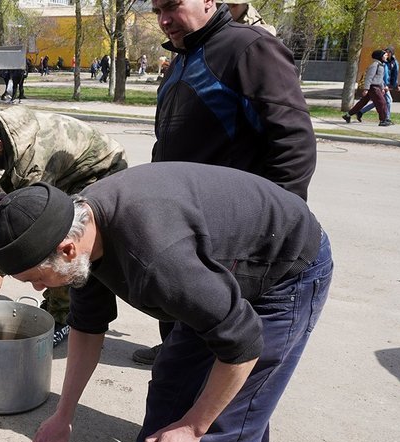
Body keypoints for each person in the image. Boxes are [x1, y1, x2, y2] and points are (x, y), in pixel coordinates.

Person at [0, 164, 332, 442]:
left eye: (37, 279)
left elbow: (242, 344)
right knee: (170, 394)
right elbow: (87, 329)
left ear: (68, 249)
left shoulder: (157, 261)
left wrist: (193, 428)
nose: (39, 289)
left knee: (222, 433)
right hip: (213, 277)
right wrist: (64, 415)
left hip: (285, 269)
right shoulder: (79, 234)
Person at [132, 0, 317, 365]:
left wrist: (274, 234)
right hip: (181, 224)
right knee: (180, 323)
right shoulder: (180, 62)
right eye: (157, 11)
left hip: (230, 232)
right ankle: (173, 350)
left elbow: (294, 146)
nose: (164, 20)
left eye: (172, 6)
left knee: (218, 354)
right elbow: (168, 144)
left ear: (208, 1)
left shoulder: (248, 48)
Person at [0, 106, 127, 346]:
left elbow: (37, 228)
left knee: (54, 250)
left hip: (102, 170)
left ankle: (63, 318)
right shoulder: (3, 129)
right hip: (70, 169)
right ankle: (56, 305)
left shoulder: (32, 164)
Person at [343, 49, 392, 126]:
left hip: (376, 87)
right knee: (381, 103)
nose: (386, 56)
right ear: (379, 56)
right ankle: (383, 120)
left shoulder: (381, 65)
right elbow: (369, 77)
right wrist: (366, 89)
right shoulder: (375, 65)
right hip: (373, 88)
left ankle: (347, 115)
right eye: (384, 55)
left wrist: (382, 87)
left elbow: (380, 79)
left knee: (362, 103)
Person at [356, 46, 400, 123]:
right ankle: (386, 118)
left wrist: (395, 84)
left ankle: (360, 112)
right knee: (388, 100)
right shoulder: (382, 62)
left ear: (392, 53)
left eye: (389, 52)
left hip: (385, 84)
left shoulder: (394, 62)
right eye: (386, 52)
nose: (387, 54)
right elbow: (381, 75)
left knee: (379, 101)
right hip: (380, 84)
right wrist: (384, 85)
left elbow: (395, 74)